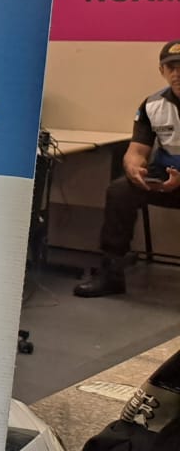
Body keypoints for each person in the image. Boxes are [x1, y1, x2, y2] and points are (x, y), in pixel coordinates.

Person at [74, 40, 180, 298]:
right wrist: (135, 170)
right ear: (162, 71)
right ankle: (111, 275)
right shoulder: (151, 105)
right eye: (171, 67)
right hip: (165, 178)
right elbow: (136, 152)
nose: (177, 73)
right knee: (120, 191)